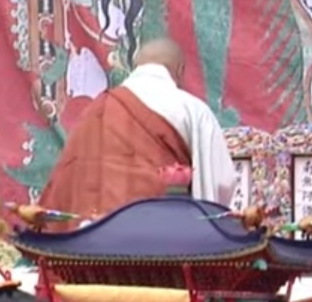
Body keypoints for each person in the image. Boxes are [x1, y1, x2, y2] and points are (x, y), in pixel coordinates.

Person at [40, 37, 237, 222]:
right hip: (162, 232)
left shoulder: (96, 109)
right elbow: (219, 182)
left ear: (135, 67)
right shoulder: (192, 110)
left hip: (94, 234)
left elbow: (68, 177)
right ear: (180, 70)